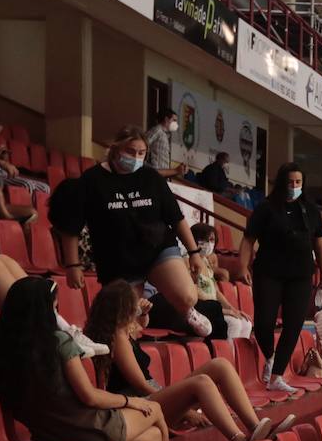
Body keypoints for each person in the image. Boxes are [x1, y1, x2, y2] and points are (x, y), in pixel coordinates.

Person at [0, 277, 172, 441]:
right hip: (84, 428)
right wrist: (129, 401)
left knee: (153, 437)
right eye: (54, 306)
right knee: (155, 409)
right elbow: (89, 396)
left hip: (48, 434)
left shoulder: (7, 351)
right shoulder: (59, 342)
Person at [86, 279, 291, 441]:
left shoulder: (123, 331)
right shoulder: (118, 337)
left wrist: (143, 313)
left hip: (152, 397)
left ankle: (255, 427)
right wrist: (183, 408)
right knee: (201, 382)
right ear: (123, 309)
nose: (137, 306)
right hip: (141, 407)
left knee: (220, 365)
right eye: (133, 304)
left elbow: (141, 326)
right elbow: (140, 385)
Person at [50, 126, 214, 338]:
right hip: (118, 260)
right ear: (116, 149)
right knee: (128, 328)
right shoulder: (92, 180)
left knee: (187, 297)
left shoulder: (151, 177)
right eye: (130, 151)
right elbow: (70, 226)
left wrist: (194, 253)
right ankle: (140, 313)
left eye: (141, 153)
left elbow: (176, 218)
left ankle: (189, 312)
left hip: (156, 249)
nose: (136, 157)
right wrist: (73, 265)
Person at [241, 163, 322, 393]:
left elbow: (319, 244)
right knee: (263, 322)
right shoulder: (266, 208)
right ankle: (269, 358)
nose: (294, 186)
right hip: (269, 271)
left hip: (300, 274)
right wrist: (243, 266)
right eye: (290, 182)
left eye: (298, 182)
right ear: (282, 183)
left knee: (294, 325)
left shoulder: (310, 210)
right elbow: (248, 239)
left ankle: (277, 375)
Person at [143, 108, 186, 179]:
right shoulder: (157, 130)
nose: (176, 123)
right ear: (166, 119)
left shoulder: (165, 135)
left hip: (162, 176)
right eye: (174, 120)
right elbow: (143, 143)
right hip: (153, 174)